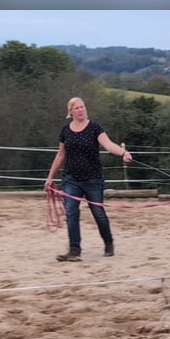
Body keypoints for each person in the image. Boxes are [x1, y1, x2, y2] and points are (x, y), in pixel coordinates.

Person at [44, 96, 133, 261]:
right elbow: (61, 154)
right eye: (76, 108)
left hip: (93, 179)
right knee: (71, 212)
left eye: (82, 107)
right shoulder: (65, 130)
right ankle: (74, 250)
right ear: (70, 111)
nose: (80, 110)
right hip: (71, 178)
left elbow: (108, 144)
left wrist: (123, 153)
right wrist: (50, 177)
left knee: (98, 213)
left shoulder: (94, 127)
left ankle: (108, 242)